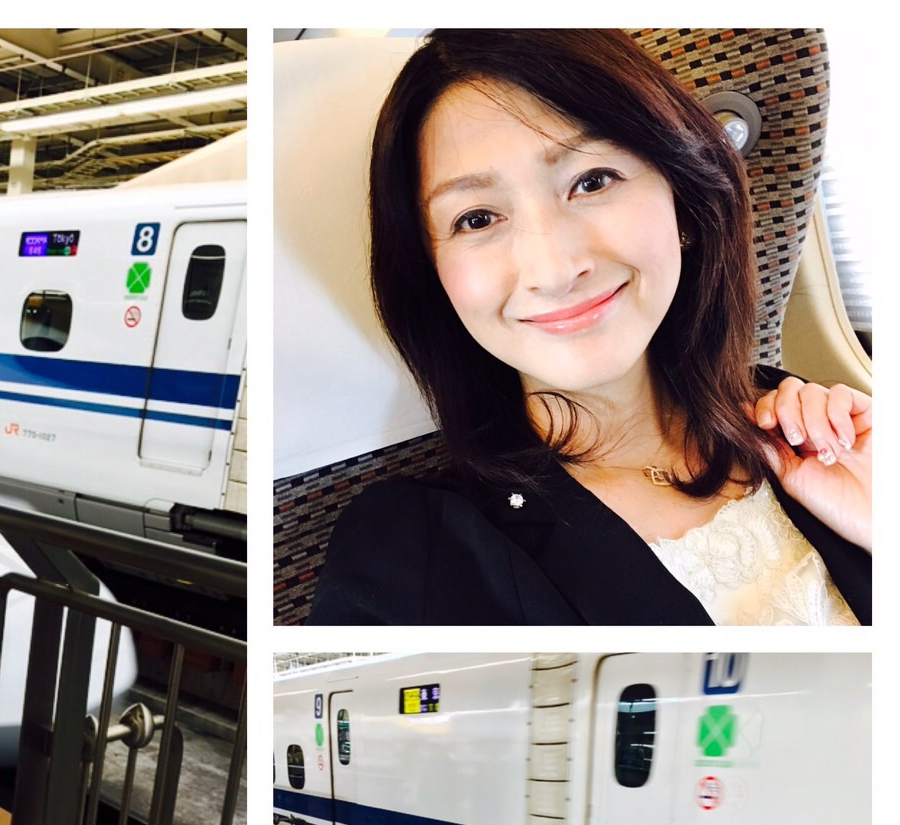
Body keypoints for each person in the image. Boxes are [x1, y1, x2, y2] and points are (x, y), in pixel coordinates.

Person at [307, 30, 871, 625]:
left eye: (593, 181)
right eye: (477, 219)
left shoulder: (804, 426)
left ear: (682, 200)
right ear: (435, 275)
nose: (555, 270)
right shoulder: (413, 551)